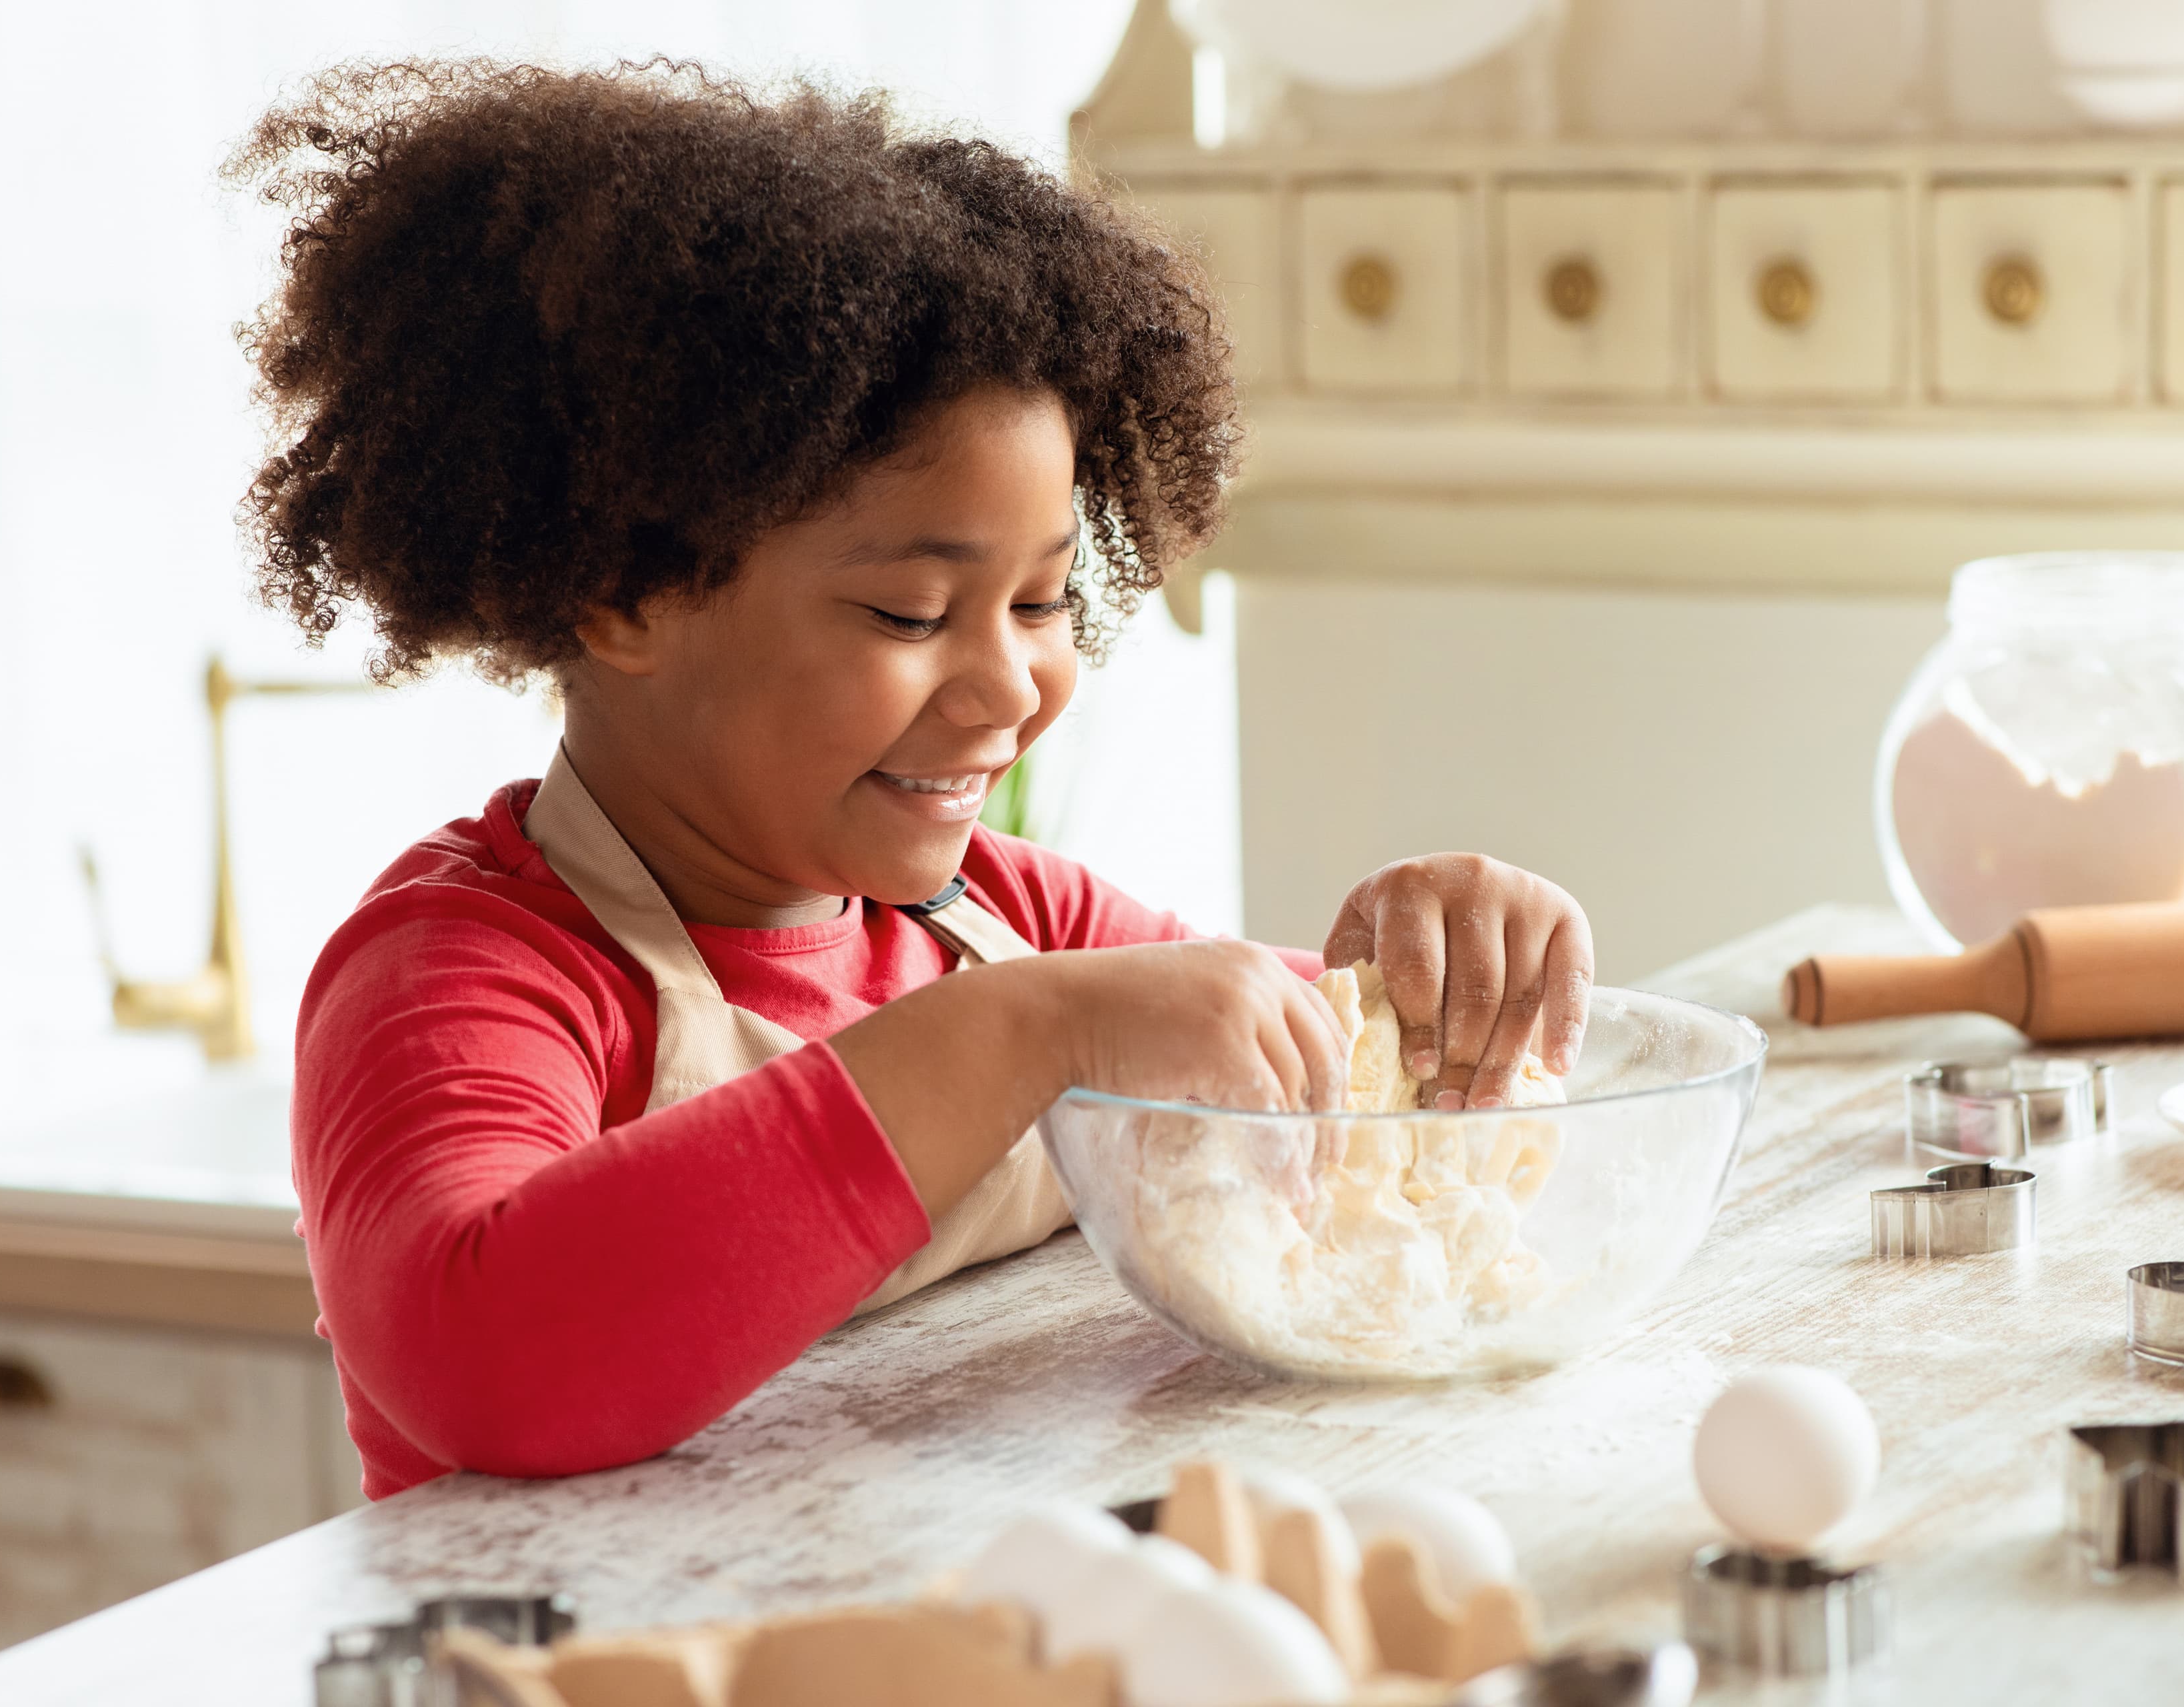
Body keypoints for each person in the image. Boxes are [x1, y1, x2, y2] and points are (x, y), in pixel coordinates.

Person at [240, 60, 1593, 1499]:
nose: (1011, 688)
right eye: (908, 613)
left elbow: (1312, 1080)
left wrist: (1433, 964)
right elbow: (487, 1357)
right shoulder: (466, 978)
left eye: (1042, 601)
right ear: (621, 593)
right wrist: (1013, 1035)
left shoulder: (1017, 922)